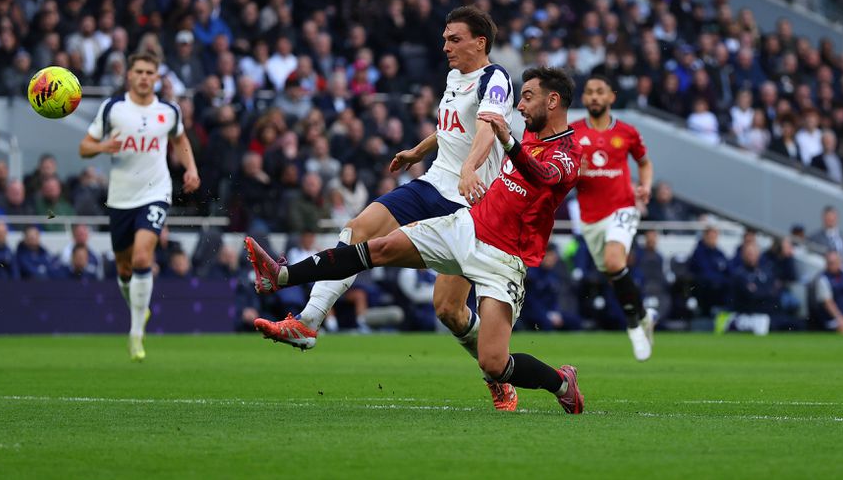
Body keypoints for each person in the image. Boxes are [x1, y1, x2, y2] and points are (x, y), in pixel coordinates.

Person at [248, 66, 584, 413]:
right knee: (376, 247)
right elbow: (461, 128)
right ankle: (284, 277)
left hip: (503, 259)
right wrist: (420, 150)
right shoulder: (523, 129)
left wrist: (507, 142)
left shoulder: (569, 154)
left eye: (528, 97)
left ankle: (561, 383)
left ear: (553, 100)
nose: (521, 106)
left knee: (493, 363)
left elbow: (542, 176)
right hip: (466, 225)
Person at [253, 6, 518, 408]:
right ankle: (307, 322)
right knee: (359, 228)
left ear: (480, 42)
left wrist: (469, 168)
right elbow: (452, 126)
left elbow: (487, 125)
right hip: (432, 184)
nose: (445, 45)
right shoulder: (454, 77)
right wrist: (417, 150)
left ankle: (497, 377)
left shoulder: (495, 78)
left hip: (470, 204)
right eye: (445, 38)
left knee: (448, 309)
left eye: (454, 38)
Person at [79, 53, 200, 361]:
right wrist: (103, 146)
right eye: (139, 72)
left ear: (156, 77)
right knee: (124, 269)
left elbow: (180, 140)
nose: (145, 77)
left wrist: (191, 169)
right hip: (120, 197)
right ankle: (139, 310)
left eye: (150, 72)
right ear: (129, 76)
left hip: (155, 192)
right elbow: (84, 147)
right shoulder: (113, 109)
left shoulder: (169, 111)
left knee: (144, 255)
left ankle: (135, 334)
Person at [570, 75, 657, 361]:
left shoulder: (628, 132)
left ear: (611, 97)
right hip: (590, 218)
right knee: (612, 273)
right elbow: (563, 176)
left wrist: (645, 186)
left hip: (623, 207)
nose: (594, 97)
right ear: (584, 99)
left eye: (600, 92)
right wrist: (575, 173)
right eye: (590, 92)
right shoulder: (572, 133)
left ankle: (633, 326)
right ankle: (642, 315)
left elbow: (644, 162)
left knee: (614, 261)